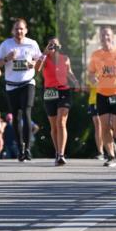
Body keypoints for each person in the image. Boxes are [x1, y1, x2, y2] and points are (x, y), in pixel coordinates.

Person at [0, 19, 42, 161]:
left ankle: (27, 148)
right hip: (11, 85)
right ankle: (20, 148)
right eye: (16, 29)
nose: (19, 31)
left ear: (26, 30)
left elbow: (40, 60)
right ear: (12, 31)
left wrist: (32, 63)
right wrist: (7, 58)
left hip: (28, 83)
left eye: (21, 29)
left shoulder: (32, 44)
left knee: (26, 113)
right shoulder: (6, 44)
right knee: (16, 116)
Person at [86, 27, 116, 168]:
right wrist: (92, 78)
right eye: (102, 35)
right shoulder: (95, 55)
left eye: (107, 34)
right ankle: (111, 156)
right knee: (104, 126)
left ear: (112, 37)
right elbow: (90, 73)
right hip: (102, 94)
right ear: (100, 38)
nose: (104, 37)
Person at [35, 37, 80, 165]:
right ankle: (57, 152)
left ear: (59, 46)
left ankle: (61, 154)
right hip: (49, 92)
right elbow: (37, 69)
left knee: (61, 121)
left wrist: (75, 82)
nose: (53, 47)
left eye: (55, 44)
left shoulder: (65, 59)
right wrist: (44, 53)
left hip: (63, 91)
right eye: (50, 44)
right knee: (54, 126)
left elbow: (69, 72)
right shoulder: (44, 58)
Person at [87, 84, 104, 160]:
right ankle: (101, 152)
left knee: (109, 125)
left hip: (106, 99)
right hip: (93, 100)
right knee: (98, 125)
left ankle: (112, 144)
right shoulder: (88, 73)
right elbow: (86, 89)